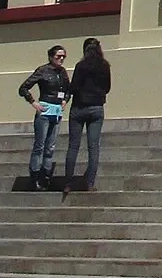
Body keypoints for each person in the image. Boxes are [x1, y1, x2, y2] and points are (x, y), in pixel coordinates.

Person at [18, 45, 71, 188]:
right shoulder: (43, 70)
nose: (61, 59)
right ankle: (34, 177)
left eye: (63, 56)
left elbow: (68, 89)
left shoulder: (63, 72)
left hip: (57, 112)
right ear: (51, 57)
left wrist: (65, 100)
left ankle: (46, 177)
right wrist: (33, 102)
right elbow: (23, 88)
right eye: (58, 56)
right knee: (40, 146)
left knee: (50, 147)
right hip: (44, 111)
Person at [63, 36, 111, 192]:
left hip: (79, 108)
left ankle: (68, 183)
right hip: (96, 107)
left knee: (73, 146)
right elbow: (107, 87)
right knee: (93, 147)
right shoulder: (104, 66)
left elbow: (74, 86)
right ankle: (90, 183)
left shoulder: (81, 66)